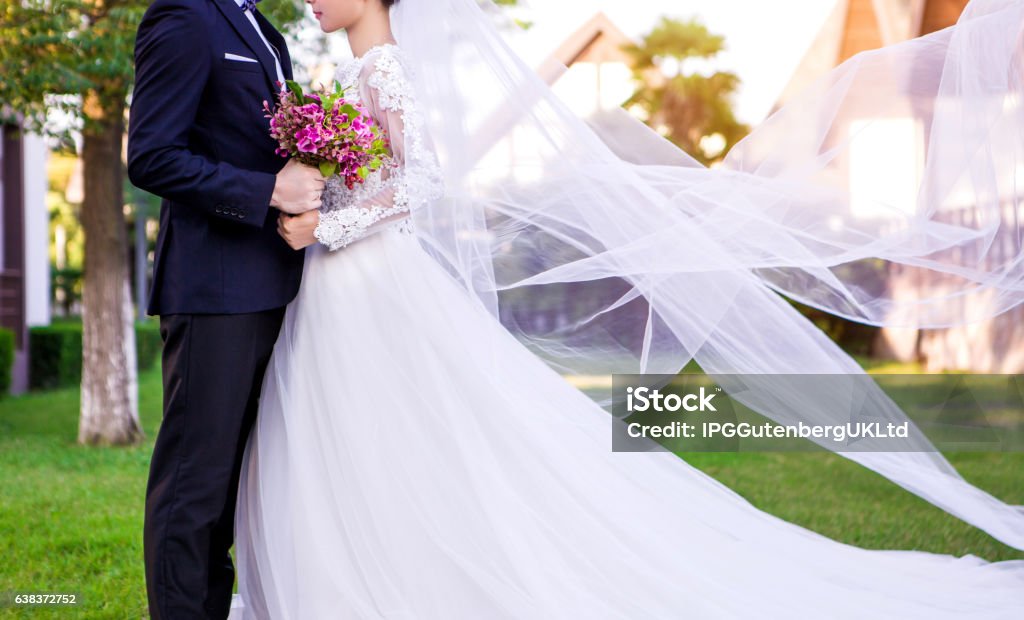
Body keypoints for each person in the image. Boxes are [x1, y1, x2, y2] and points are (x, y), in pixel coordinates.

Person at [235, 0, 1024, 617]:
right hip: (346, 279)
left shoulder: (386, 68)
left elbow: (419, 182)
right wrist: (317, 192)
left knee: (405, 435)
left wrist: (327, 219)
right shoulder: (364, 68)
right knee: (366, 435)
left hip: (368, 274)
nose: (308, 0)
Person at [126, 0, 326, 616]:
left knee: (229, 489)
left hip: (270, 285)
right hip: (215, 292)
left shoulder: (256, 24)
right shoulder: (184, 16)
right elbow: (152, 155)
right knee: (195, 483)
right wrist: (267, 190)